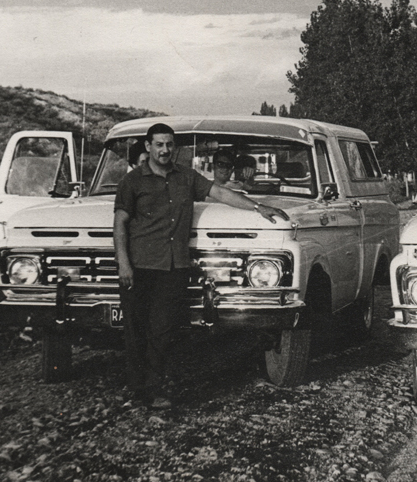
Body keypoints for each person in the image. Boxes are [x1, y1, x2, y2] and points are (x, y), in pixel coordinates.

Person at [113, 123, 289, 409]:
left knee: (163, 331)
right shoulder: (132, 182)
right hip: (140, 265)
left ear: (175, 147)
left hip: (174, 265)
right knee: (135, 330)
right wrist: (123, 263)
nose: (165, 149)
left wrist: (258, 207)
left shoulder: (186, 177)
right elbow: (119, 223)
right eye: (158, 144)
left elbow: (221, 194)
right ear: (148, 147)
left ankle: (155, 389)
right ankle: (136, 388)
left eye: (169, 144)